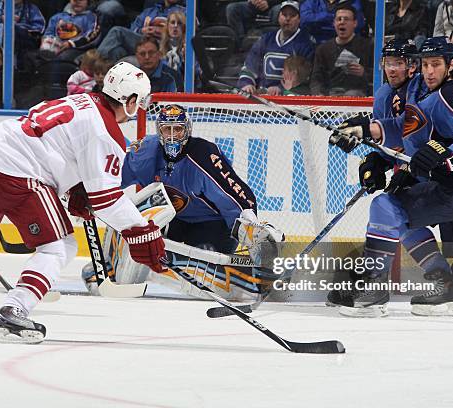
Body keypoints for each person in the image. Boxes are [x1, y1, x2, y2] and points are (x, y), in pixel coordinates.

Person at [0, 62, 167, 344]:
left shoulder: (81, 101)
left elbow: (64, 148)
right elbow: (107, 201)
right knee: (60, 246)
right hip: (17, 172)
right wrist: (142, 231)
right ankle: (13, 311)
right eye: (140, 103)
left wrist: (76, 188)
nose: (139, 109)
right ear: (131, 100)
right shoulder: (106, 130)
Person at [331, 37, 453, 317]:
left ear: (451, 65)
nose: (429, 71)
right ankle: (447, 287)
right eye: (426, 65)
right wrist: (368, 132)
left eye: (435, 65)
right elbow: (405, 127)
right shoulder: (427, 96)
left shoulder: (452, 94)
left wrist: (444, 157)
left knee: (386, 207)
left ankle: (373, 290)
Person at [122, 104, 259, 254]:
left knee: (204, 254)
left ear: (187, 130)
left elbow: (232, 195)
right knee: (140, 235)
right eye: (168, 129)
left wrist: (250, 226)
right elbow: (116, 175)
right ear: (159, 131)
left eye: (178, 129)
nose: (173, 135)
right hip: (173, 220)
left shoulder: (203, 155)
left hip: (211, 223)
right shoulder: (146, 152)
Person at [238, 0, 315, 96]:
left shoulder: (306, 44)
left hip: (289, 99)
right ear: (278, 17)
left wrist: (280, 88)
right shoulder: (266, 39)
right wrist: (247, 83)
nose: (287, 19)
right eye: (284, 14)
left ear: (299, 19)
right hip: (261, 97)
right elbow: (250, 65)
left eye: (292, 15)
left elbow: (303, 79)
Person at [309, 4, 373, 96]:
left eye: (346, 19)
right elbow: (316, 79)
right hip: (330, 95)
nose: (342, 22)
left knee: (352, 94)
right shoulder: (323, 49)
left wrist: (364, 72)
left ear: (355, 23)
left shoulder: (368, 46)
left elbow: (379, 76)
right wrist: (318, 94)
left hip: (358, 96)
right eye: (339, 19)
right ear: (334, 23)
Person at [96, 0, 185, 62]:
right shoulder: (150, 11)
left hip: (164, 46)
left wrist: (164, 32)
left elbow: (185, 35)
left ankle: (93, 63)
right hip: (142, 42)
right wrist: (142, 31)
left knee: (117, 32)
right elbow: (132, 30)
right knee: (117, 51)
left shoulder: (185, 11)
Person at [299, 0, 365, 45]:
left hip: (345, 46)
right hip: (315, 45)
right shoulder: (312, 1)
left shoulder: (353, 1)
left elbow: (357, 25)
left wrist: (318, 24)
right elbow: (304, 20)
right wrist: (330, 16)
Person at [159, 10, 185, 90]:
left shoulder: (189, 49)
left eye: (179, 23)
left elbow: (196, 74)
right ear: (167, 26)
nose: (175, 26)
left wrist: (185, 61)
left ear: (184, 27)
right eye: (172, 22)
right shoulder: (158, 48)